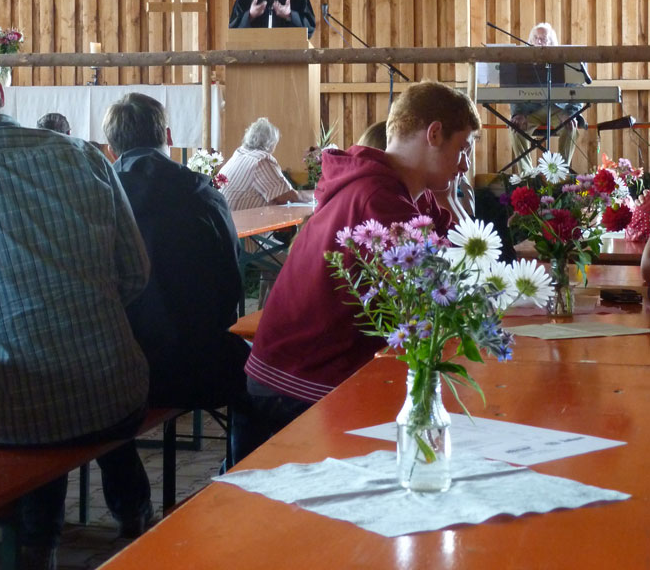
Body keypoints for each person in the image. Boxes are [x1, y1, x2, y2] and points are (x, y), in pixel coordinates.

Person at [0, 44, 152, 570]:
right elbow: (135, 273)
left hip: (7, 418)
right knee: (56, 371)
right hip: (118, 396)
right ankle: (127, 515)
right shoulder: (82, 153)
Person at [241, 81, 480, 452]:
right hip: (297, 380)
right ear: (434, 134)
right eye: (462, 149)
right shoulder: (378, 197)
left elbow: (460, 259)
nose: (465, 165)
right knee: (440, 430)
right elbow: (445, 286)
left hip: (299, 368)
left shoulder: (406, 193)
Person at [102, 92, 248, 411]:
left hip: (118, 371)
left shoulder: (98, 203)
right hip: (200, 366)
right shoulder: (204, 197)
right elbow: (232, 286)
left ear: (111, 150)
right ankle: (239, 460)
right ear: (168, 136)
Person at [509, 22, 581, 169]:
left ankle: (560, 173)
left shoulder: (565, 61)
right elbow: (513, 91)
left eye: (544, 39)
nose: (540, 42)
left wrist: (570, 114)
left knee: (570, 127)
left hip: (557, 109)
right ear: (530, 42)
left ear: (552, 43)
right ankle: (527, 175)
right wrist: (517, 114)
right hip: (530, 111)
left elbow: (577, 90)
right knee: (515, 130)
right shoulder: (522, 63)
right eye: (536, 38)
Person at [220, 117, 312, 211]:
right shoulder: (261, 160)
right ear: (272, 143)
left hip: (226, 221)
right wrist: (317, 195)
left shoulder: (239, 153)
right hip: (242, 224)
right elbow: (288, 197)